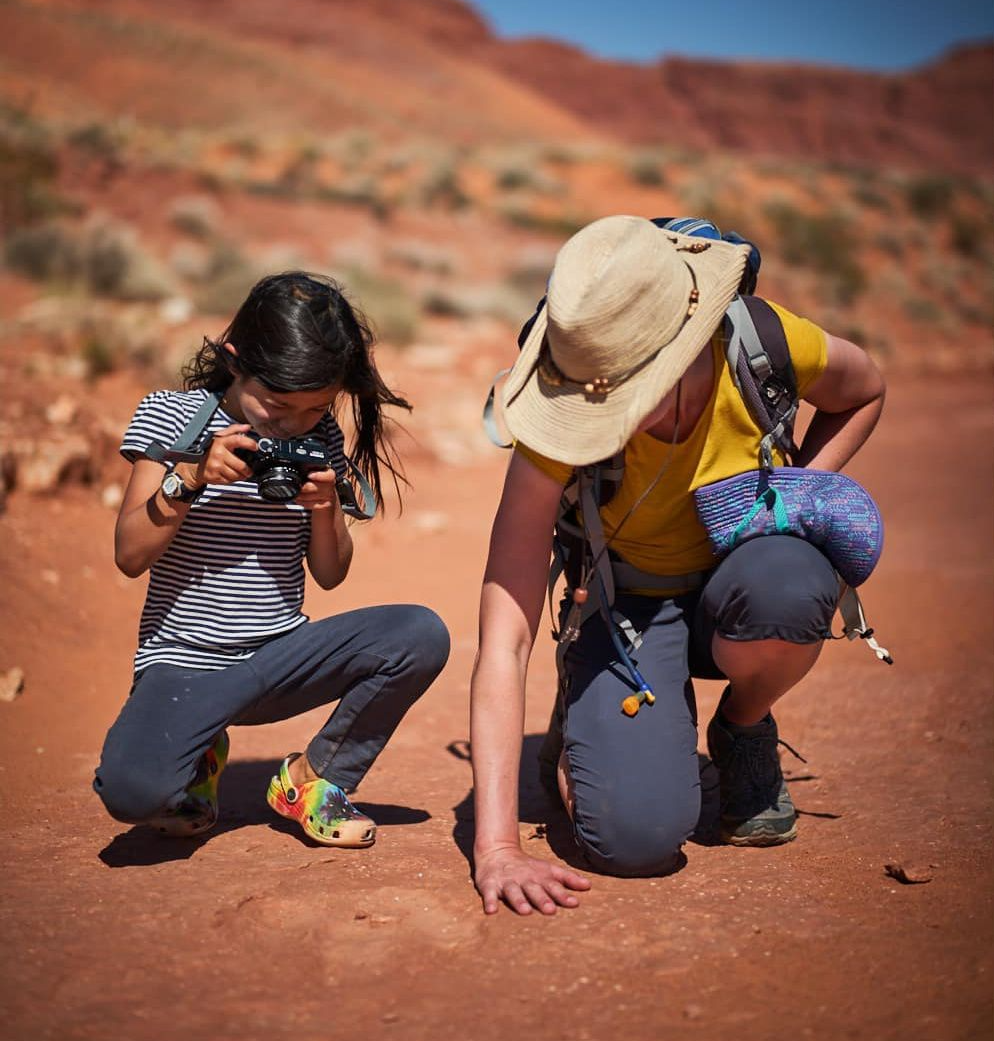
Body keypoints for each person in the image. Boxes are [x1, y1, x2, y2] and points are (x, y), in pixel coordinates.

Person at [470, 215, 885, 914]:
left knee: (792, 583)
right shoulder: (563, 400)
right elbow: (502, 639)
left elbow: (865, 390)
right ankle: (585, 717)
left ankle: (742, 727)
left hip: (742, 581)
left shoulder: (761, 342)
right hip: (623, 602)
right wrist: (498, 849)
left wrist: (793, 494)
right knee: (636, 839)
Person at [95, 271, 450, 846]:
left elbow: (331, 576)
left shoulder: (319, 436)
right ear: (235, 361)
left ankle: (313, 779)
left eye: (316, 409)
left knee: (419, 634)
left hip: (278, 657)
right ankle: (201, 755)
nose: (292, 423)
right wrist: (189, 479)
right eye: (278, 405)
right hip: (185, 664)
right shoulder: (171, 415)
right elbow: (129, 555)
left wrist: (326, 506)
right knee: (132, 794)